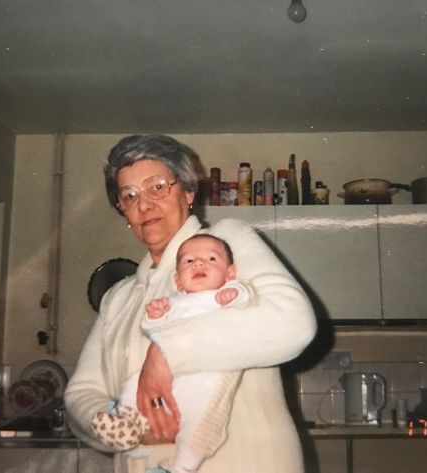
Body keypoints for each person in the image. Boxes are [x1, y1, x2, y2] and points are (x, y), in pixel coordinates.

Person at [64, 134, 317, 473]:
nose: (144, 204)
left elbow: (292, 322)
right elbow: (82, 392)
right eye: (129, 195)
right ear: (123, 210)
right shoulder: (119, 298)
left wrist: (167, 351)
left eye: (157, 187)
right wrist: (121, 432)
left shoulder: (225, 245)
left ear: (187, 192)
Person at [91, 234, 255, 473]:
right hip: (166, 381)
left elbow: (247, 295)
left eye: (211, 258)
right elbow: (150, 327)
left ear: (230, 273)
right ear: (178, 281)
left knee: (200, 427)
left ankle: (180, 468)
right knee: (134, 384)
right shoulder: (175, 301)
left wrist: (235, 293)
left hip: (206, 382)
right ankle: (126, 421)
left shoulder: (224, 294)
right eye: (189, 261)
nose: (199, 264)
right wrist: (155, 314)